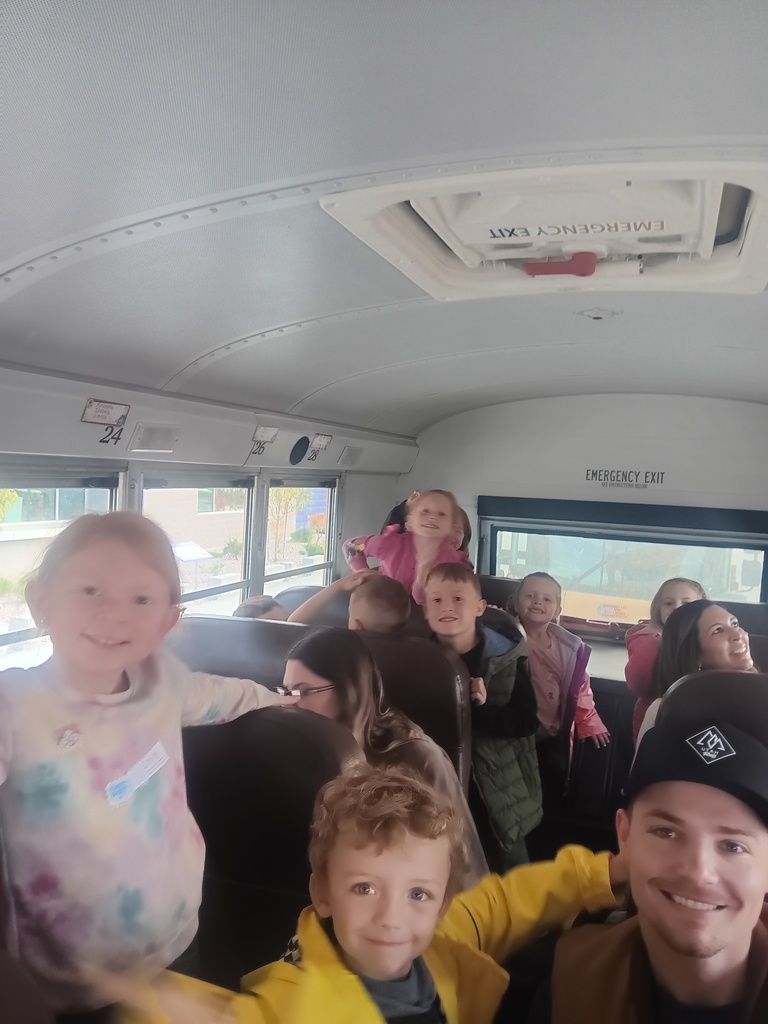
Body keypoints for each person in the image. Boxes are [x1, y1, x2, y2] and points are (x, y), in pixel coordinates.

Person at [0, 512, 297, 1018]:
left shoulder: (163, 683)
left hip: (177, 937)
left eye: (141, 599)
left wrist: (283, 699)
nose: (114, 614)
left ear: (166, 621)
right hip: (74, 977)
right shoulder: (15, 704)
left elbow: (222, 696)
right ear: (40, 602)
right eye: (90, 590)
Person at [116, 763, 627, 1024]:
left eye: (418, 895)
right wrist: (124, 991)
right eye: (364, 887)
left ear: (443, 905)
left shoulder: (444, 948)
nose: (391, 917)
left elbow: (505, 903)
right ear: (322, 894)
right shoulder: (296, 1002)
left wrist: (607, 872)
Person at [528, 672, 768, 1023]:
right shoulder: (568, 982)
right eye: (666, 832)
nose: (698, 872)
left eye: (732, 846)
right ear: (625, 836)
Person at [279, 627, 488, 886]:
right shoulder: (295, 747)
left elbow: (461, 864)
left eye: (305, 691)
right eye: (287, 692)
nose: (292, 704)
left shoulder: (416, 756)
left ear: (349, 690)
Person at [423, 563, 541, 871]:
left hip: (495, 786)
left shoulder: (508, 659)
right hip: (438, 782)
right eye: (436, 600)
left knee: (507, 868)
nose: (446, 606)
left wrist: (482, 708)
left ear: (479, 607)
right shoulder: (416, 659)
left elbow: (526, 723)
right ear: (425, 609)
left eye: (457, 598)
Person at [636, 599, 755, 745]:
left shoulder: (760, 694)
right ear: (694, 655)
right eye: (717, 630)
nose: (737, 635)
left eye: (735, 624)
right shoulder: (662, 709)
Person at [343, 490, 470, 604]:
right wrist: (362, 571)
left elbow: (423, 599)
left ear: (450, 525)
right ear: (410, 520)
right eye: (425, 511)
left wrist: (422, 573)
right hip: (382, 607)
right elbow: (352, 545)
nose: (432, 517)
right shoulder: (392, 543)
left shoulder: (451, 559)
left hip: (420, 617)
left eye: (441, 514)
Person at [624, 577, 706, 743]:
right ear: (658, 609)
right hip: (653, 720)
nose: (676, 608)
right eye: (668, 603)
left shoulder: (706, 641)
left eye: (686, 603)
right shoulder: (649, 639)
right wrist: (658, 643)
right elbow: (636, 682)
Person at [287, 571, 411, 632]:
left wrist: (337, 586)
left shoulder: (344, 648)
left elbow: (293, 624)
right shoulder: (411, 653)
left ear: (356, 625)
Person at [382, 493, 472, 554]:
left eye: (457, 530)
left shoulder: (462, 571)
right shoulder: (403, 558)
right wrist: (406, 507)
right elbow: (388, 541)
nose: (451, 534)